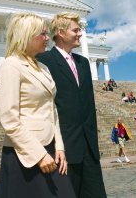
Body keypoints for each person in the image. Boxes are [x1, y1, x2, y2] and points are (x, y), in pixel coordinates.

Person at [0, 13, 74, 198]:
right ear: (27, 35)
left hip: (50, 148)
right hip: (25, 153)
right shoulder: (11, 65)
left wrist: (59, 147)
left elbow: (51, 109)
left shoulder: (43, 67)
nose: (48, 38)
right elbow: (9, 118)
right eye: (43, 34)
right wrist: (39, 155)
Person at [37, 12, 107, 197]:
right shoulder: (44, 61)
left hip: (89, 147)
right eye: (75, 30)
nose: (80, 34)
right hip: (64, 149)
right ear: (61, 32)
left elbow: (88, 105)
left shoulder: (83, 62)